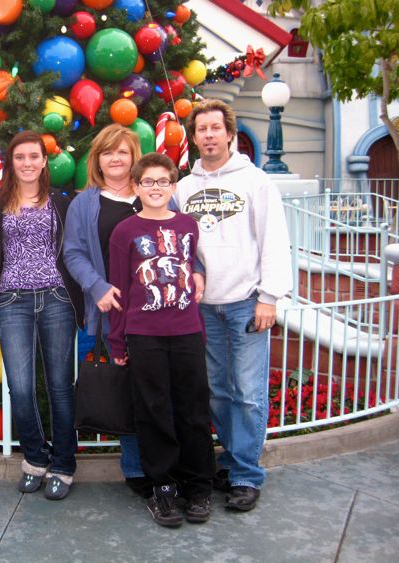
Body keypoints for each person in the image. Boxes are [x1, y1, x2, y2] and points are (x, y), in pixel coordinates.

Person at [174, 99, 292, 512]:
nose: (208, 135)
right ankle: (230, 459)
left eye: (215, 128)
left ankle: (246, 475)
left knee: (249, 394)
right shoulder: (183, 188)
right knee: (218, 392)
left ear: (229, 134)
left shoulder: (255, 181)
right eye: (201, 129)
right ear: (194, 137)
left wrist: (269, 297)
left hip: (246, 303)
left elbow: (273, 238)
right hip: (204, 307)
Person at [108, 152, 213, 528]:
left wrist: (199, 329)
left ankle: (198, 486)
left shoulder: (187, 225)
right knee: (153, 412)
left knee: (193, 411)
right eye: (148, 182)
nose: (156, 188)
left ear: (173, 185)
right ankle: (163, 487)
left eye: (163, 181)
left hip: (186, 332)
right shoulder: (124, 231)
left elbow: (191, 269)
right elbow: (119, 289)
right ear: (136, 186)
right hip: (144, 335)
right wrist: (117, 340)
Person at [0, 131, 83, 500]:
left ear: (44, 160)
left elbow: (75, 248)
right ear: (11, 161)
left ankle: (64, 464)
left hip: (56, 299)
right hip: (11, 301)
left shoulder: (62, 202)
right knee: (20, 387)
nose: (27, 163)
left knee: (59, 385)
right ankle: (35, 459)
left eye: (34, 156)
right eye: (20, 156)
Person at [63, 124, 150, 496]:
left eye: (122, 151)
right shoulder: (84, 203)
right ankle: (135, 468)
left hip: (153, 315)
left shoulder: (151, 193)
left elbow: (179, 236)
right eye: (107, 152)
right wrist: (96, 286)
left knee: (153, 391)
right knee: (118, 389)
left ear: (134, 157)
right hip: (106, 315)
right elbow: (73, 253)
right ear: (97, 160)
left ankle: (158, 466)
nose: (115, 158)